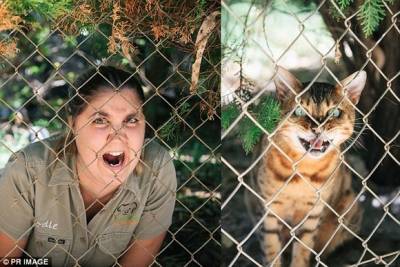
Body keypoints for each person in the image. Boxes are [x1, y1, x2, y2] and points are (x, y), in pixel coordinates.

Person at [0, 66, 177, 267]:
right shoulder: (27, 172)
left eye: (131, 120)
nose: (118, 135)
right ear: (73, 125)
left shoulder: (156, 170)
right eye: (100, 120)